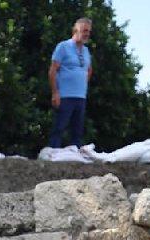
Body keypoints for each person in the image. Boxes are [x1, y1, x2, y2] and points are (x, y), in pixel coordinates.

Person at [47, 18, 94, 149]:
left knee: (77, 131)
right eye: (84, 30)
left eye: (89, 31)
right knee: (59, 128)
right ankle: (52, 156)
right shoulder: (63, 47)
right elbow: (52, 70)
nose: (87, 34)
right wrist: (55, 92)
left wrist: (82, 84)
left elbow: (89, 70)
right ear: (75, 30)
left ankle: (75, 160)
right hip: (65, 95)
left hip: (80, 97)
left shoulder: (86, 51)